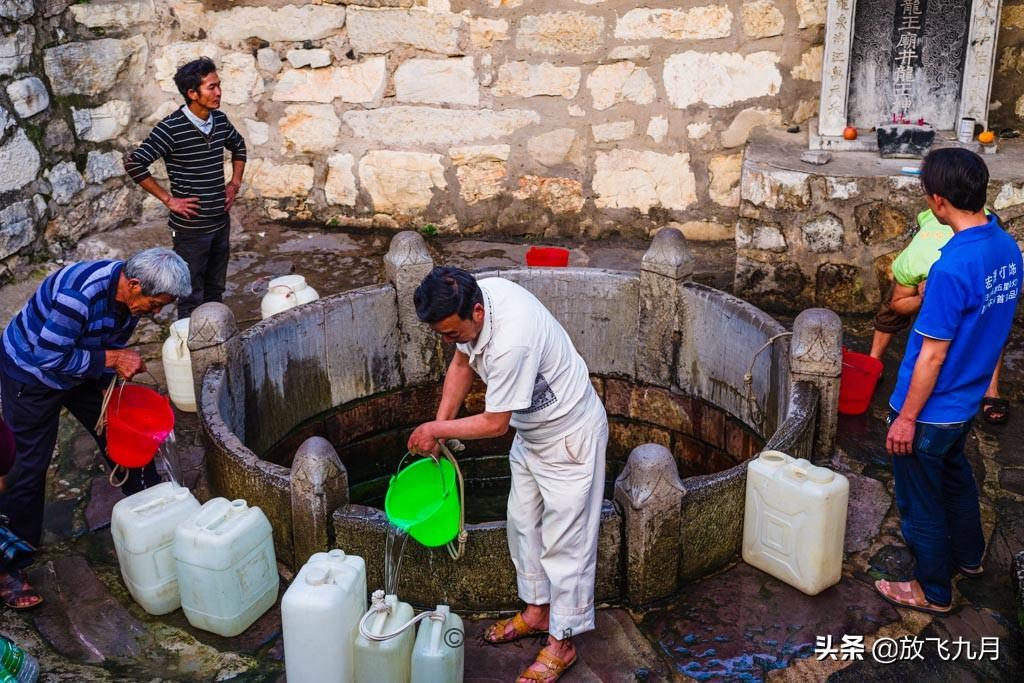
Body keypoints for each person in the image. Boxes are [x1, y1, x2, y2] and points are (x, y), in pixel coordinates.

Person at [407, 267, 607, 683]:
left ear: (476, 312)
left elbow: (495, 423)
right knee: (521, 523)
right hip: (533, 435)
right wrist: (439, 429)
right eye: (440, 334)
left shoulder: (510, 341)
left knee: (565, 545)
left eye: (449, 333)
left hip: (569, 437)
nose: (447, 342)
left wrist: (434, 431)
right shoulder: (480, 299)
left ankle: (562, 642)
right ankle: (537, 611)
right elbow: (462, 363)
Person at [0, 248, 191, 609]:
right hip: (32, 373)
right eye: (154, 304)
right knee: (26, 467)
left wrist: (107, 370)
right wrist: (113, 360)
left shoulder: (130, 299)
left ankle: (155, 513)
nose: (157, 312)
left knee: (125, 432)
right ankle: (10, 566)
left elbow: (106, 344)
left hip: (81, 364)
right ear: (133, 284)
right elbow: (48, 357)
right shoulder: (78, 297)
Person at [876, 148, 1022, 615]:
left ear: (937, 202)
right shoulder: (1005, 247)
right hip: (967, 400)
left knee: (919, 502)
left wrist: (906, 420)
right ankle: (970, 557)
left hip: (932, 408)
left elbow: (931, 356)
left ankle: (933, 589)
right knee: (957, 479)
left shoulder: (950, 269)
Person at [124, 56, 246, 320]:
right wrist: (169, 200)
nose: (218, 92)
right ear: (192, 93)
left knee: (215, 290)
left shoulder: (220, 121)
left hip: (219, 223)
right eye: (211, 87)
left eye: (218, 85)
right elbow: (135, 163)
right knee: (190, 293)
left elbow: (239, 147)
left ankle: (215, 340)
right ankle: (187, 348)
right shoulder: (171, 128)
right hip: (190, 231)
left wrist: (234, 184)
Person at [870, 208, 1010, 424]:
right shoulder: (913, 263)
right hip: (936, 255)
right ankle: (873, 365)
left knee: (989, 317)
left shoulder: (978, 257)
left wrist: (906, 419)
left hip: (973, 243)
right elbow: (899, 305)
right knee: (890, 309)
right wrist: (922, 298)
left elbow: (933, 357)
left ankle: (991, 390)